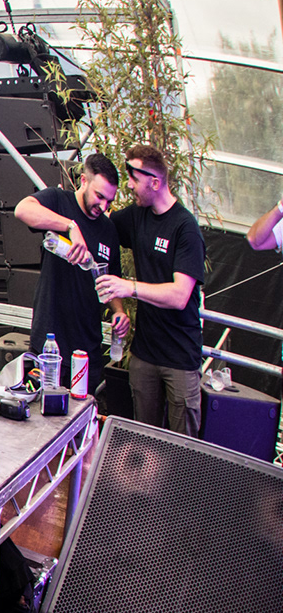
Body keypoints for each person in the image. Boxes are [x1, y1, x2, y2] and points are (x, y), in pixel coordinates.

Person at [96, 144, 207, 435]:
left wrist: (129, 287)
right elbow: (100, 225)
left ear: (155, 182)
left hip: (180, 357)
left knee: (183, 443)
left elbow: (179, 296)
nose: (129, 185)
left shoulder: (185, 228)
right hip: (144, 353)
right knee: (144, 437)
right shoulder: (136, 216)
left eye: (134, 178)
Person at [11, 152, 124, 375]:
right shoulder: (59, 200)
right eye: (99, 196)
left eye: (109, 201)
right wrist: (70, 227)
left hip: (88, 347)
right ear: (84, 180)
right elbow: (22, 210)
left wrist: (119, 311)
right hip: (51, 343)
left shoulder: (108, 230)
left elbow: (112, 281)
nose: (103, 206)